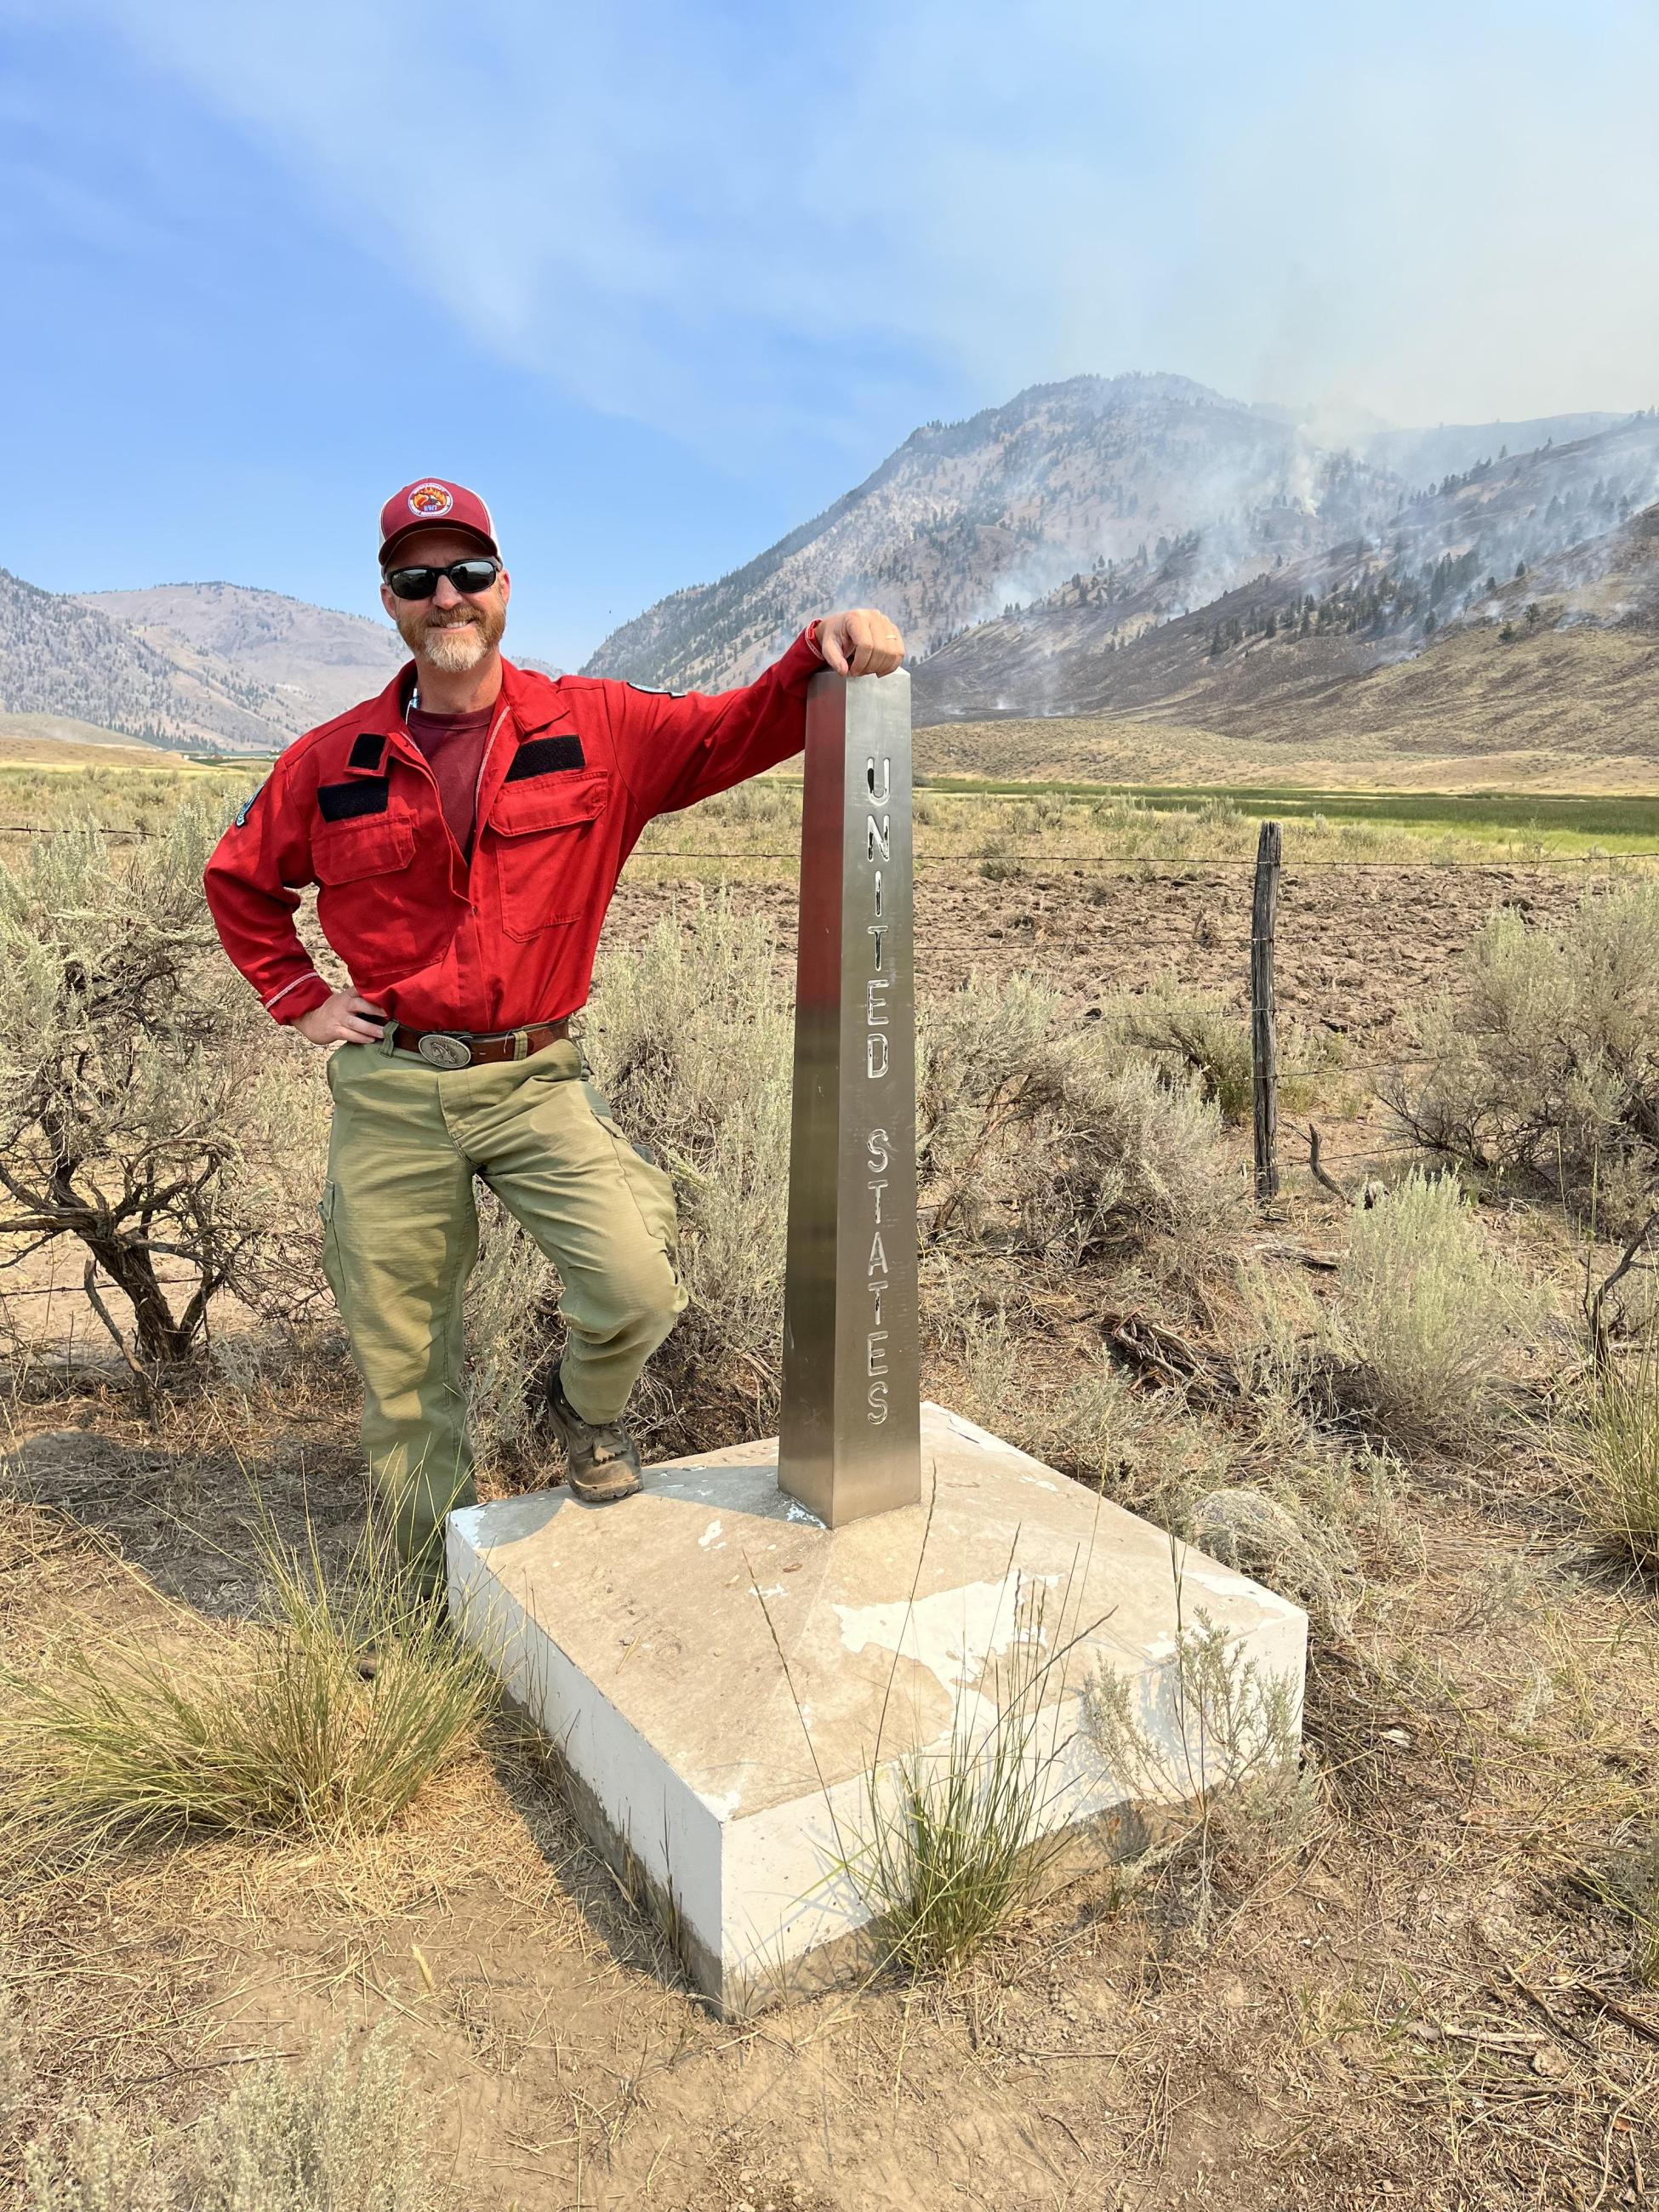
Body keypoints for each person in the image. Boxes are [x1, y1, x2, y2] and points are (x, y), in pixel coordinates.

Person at [204, 476, 904, 1593]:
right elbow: (240, 878)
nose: (447, 596)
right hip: (393, 1086)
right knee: (402, 1373)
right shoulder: (329, 761)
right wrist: (296, 994)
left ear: (503, 587)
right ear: (389, 602)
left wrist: (821, 645)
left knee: (634, 1286)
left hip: (536, 1076)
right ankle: (419, 1599)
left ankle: (584, 1415)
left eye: (467, 572)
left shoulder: (599, 728)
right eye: (417, 579)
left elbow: (740, 728)